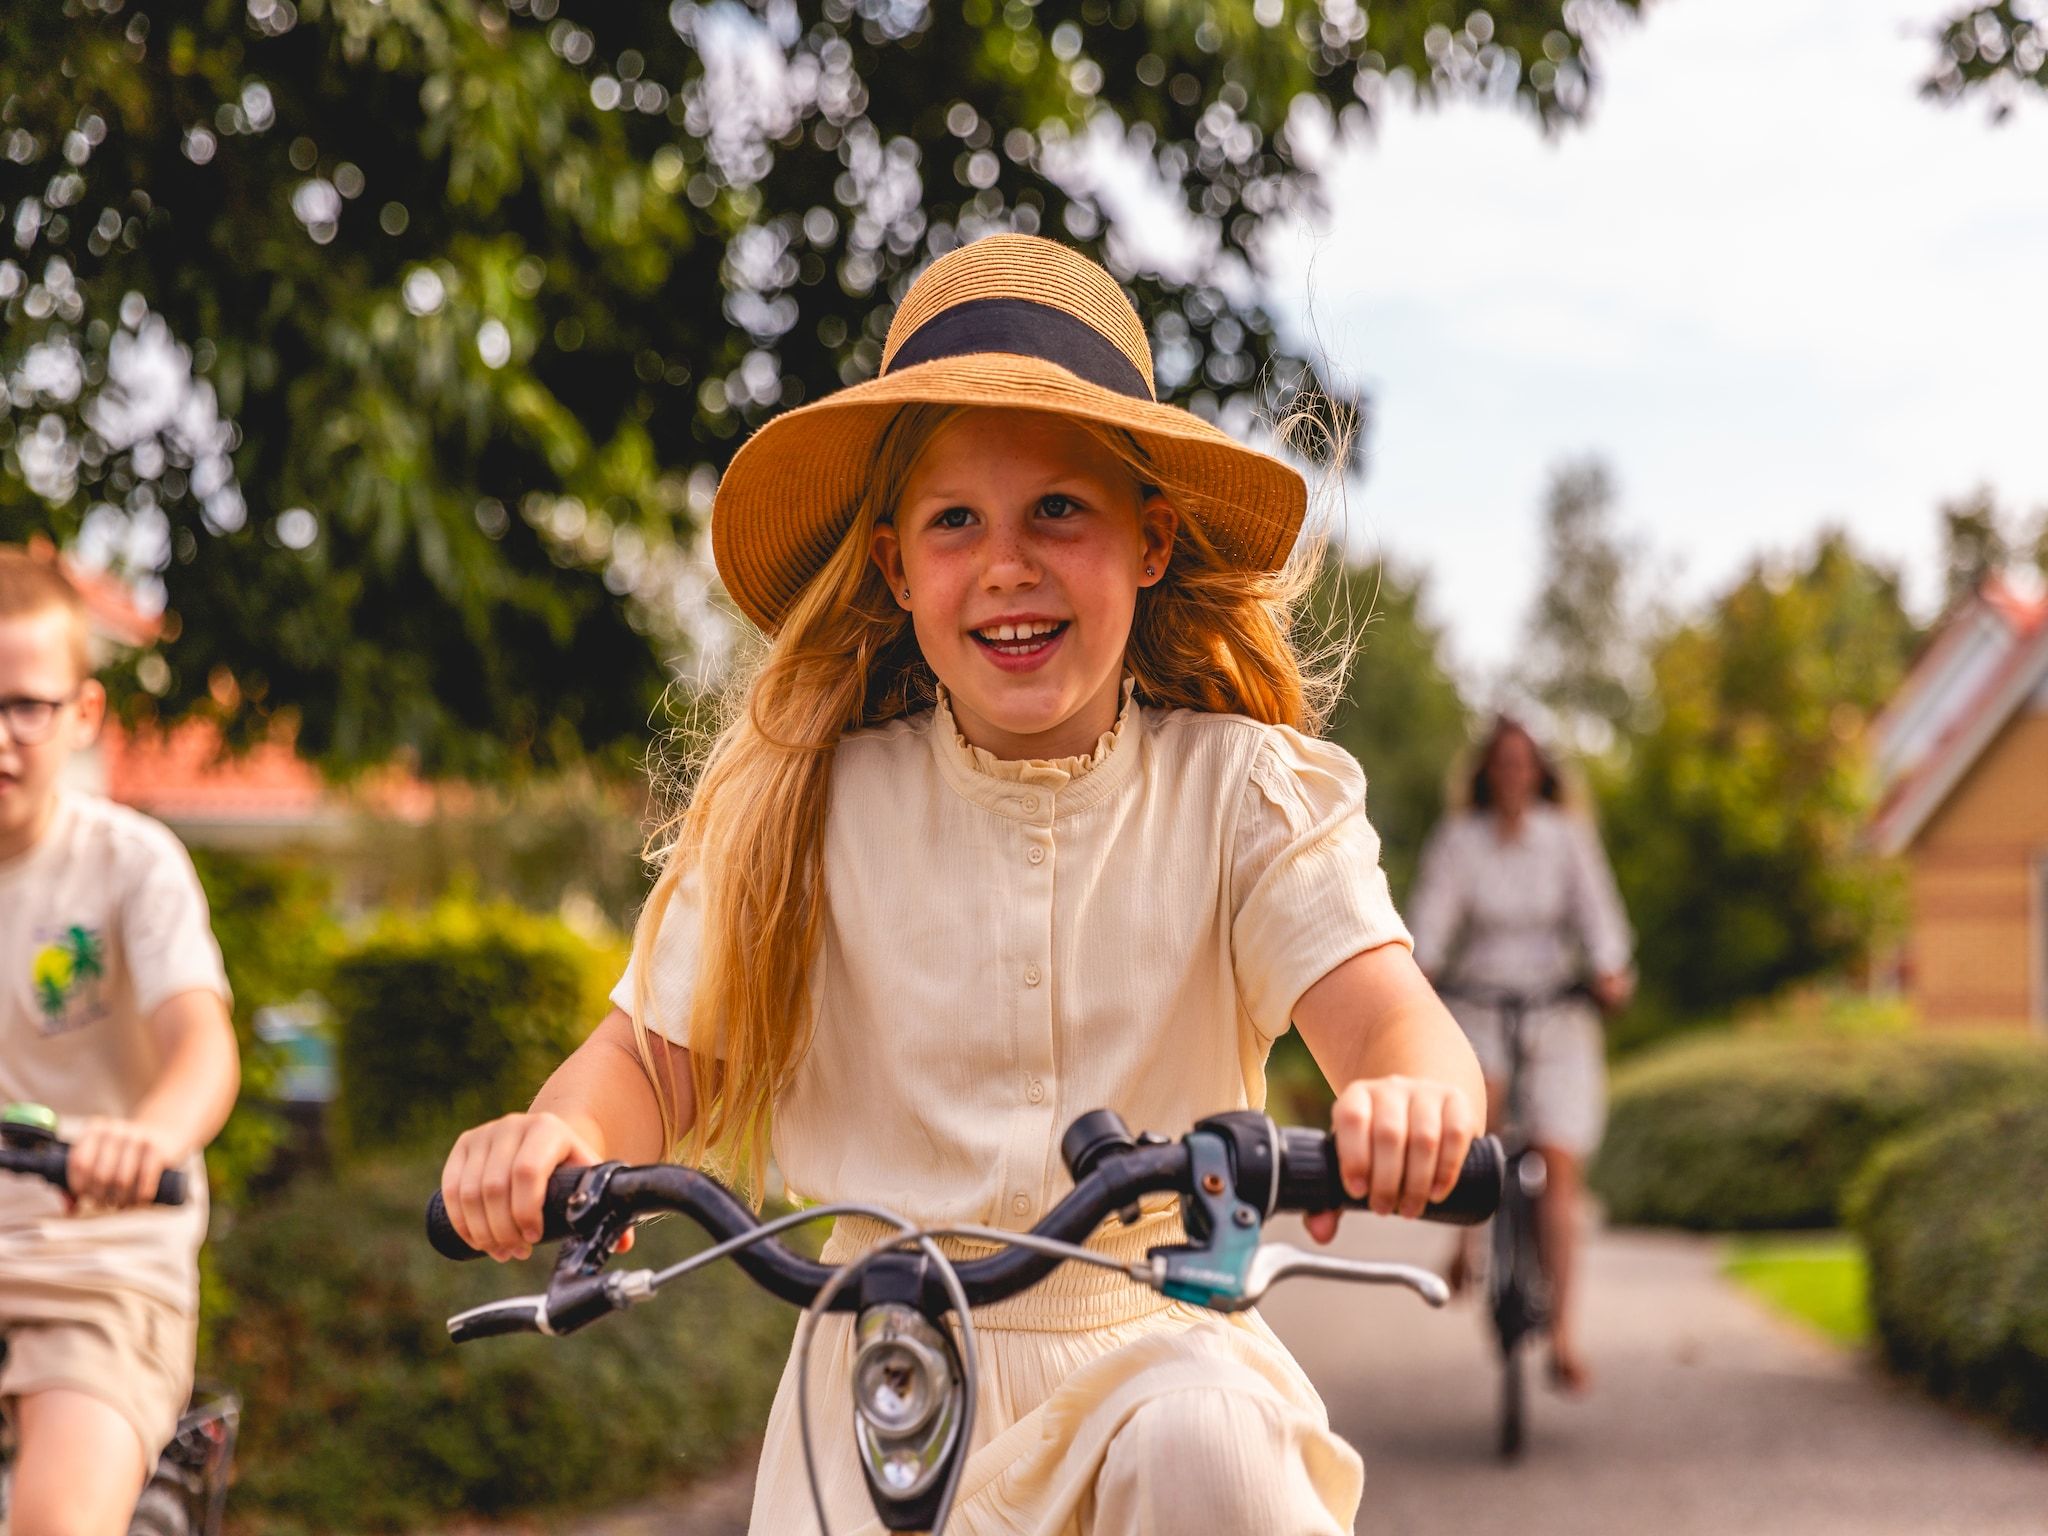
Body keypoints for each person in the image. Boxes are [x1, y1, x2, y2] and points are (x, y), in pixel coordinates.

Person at [439, 235, 1485, 1535]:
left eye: (1059, 510)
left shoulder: (1242, 795)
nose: (1007, 564)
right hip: (878, 1373)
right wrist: (559, 1141)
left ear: (1150, 541)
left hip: (1155, 1346)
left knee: (1209, 1440)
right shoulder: (802, 813)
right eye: (955, 522)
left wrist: (1410, 1102)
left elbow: (1388, 1021)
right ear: (894, 568)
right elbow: (648, 1069)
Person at [0, 547, 240, 1536]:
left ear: (85, 713)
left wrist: (146, 1138)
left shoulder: (131, 865)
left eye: (26, 706)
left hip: (99, 1267)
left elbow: (203, 1048)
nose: (0, 737)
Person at [1406, 715, 1632, 1394]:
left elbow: (1599, 916)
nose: (1512, 774)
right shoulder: (1460, 841)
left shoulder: (1566, 839)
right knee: (1483, 1117)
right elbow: (1432, 917)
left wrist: (1609, 970)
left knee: (1559, 1166)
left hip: (1555, 1009)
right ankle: (1466, 1239)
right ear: (1487, 772)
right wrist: (1420, 966)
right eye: (1502, 763)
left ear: (1538, 772)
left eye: (1523, 763)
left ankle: (1563, 1333)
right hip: (1479, 1001)